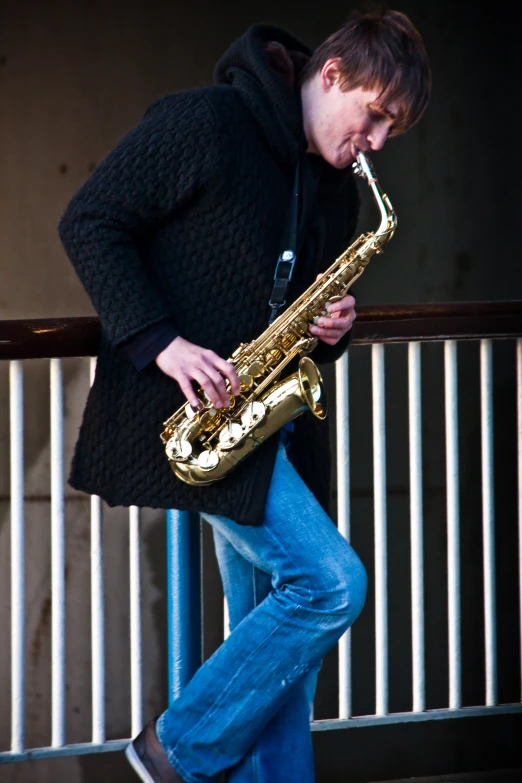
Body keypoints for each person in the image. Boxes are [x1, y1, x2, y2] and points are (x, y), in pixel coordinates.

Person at [58, 6, 430, 782]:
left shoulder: (334, 188)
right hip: (185, 412)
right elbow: (90, 219)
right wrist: (159, 341)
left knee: (283, 672)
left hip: (264, 422)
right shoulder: (206, 122)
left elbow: (296, 303)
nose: (378, 144)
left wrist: (335, 329)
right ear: (332, 75)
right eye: (376, 117)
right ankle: (173, 748)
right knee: (331, 584)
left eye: (393, 130)